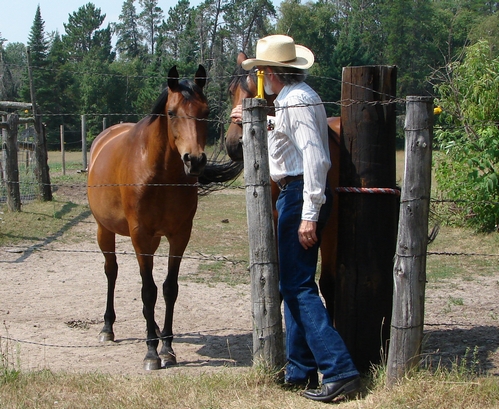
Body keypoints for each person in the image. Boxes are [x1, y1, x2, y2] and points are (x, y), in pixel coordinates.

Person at [231, 35, 360, 403]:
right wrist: (255, 120)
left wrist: (308, 214)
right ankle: (300, 369)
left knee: (298, 286)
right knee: (294, 284)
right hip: (295, 194)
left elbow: (316, 159)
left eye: (260, 72)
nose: (259, 78)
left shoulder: (298, 100)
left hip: (300, 195)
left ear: (270, 72)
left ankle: (339, 369)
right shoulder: (289, 100)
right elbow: (284, 138)